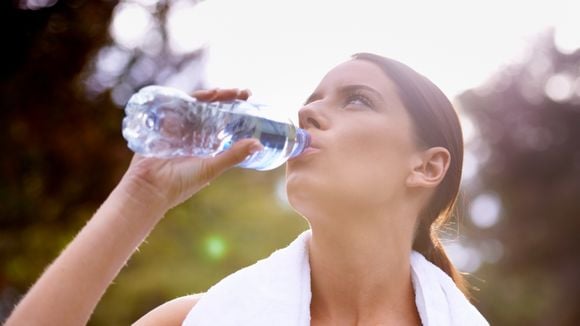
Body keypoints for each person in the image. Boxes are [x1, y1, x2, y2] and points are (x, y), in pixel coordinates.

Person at [5, 53, 488, 325]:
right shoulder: (197, 320)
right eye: (311, 99)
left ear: (427, 167)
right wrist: (141, 196)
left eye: (357, 101)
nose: (307, 113)